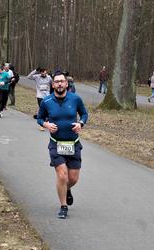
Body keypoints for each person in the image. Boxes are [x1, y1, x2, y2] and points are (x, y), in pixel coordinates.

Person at [37, 70, 88, 219]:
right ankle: (63, 206)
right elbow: (39, 118)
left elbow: (84, 114)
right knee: (62, 175)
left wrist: (81, 123)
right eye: (56, 81)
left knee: (72, 179)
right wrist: (46, 125)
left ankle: (66, 189)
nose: (59, 83)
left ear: (66, 83)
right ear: (53, 85)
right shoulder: (47, 101)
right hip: (56, 144)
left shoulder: (75, 99)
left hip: (73, 144)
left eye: (62, 81)